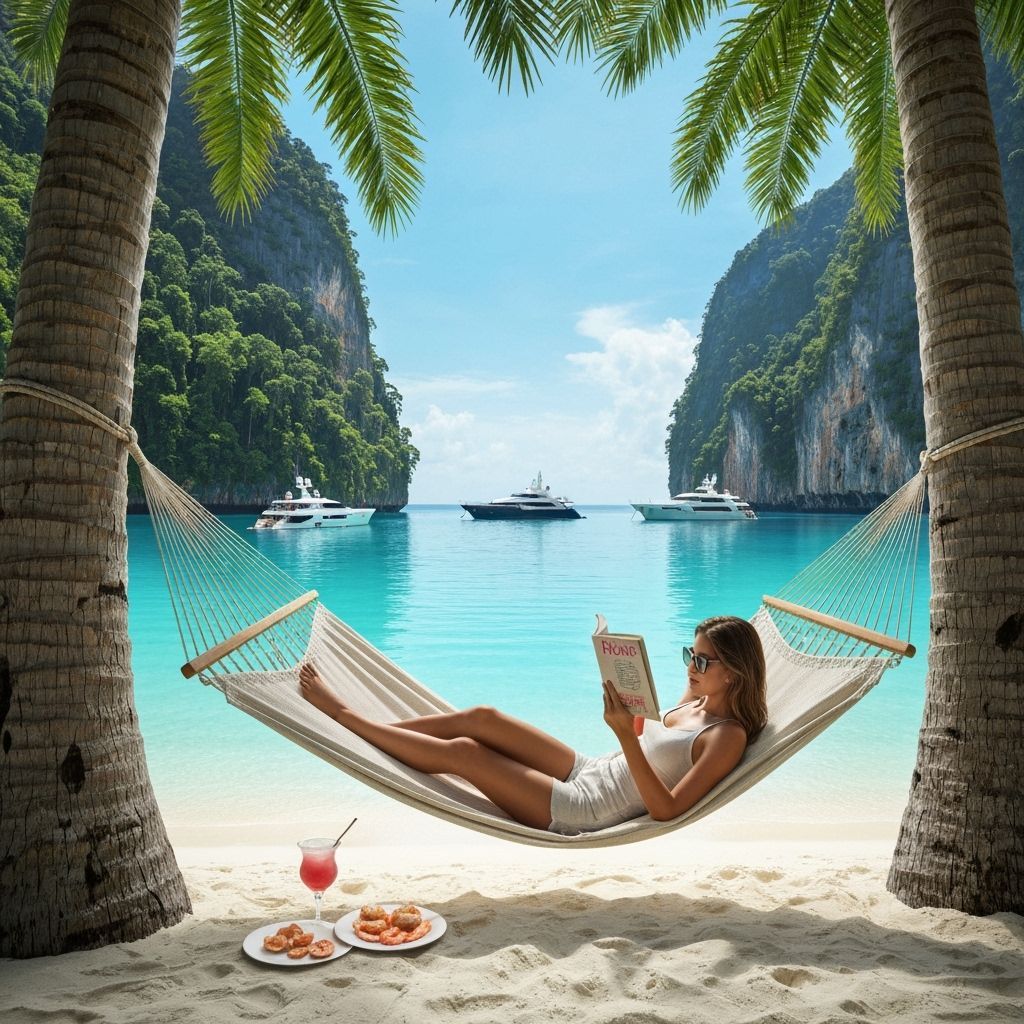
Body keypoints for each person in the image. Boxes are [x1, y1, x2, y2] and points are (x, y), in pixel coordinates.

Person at [298, 615, 768, 835]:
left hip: (584, 807)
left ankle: (345, 716)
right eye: (690, 654)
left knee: (465, 752)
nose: (691, 666)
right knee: (483, 718)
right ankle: (383, 727)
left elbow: (666, 810)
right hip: (588, 769)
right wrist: (614, 659)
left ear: (734, 672)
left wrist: (626, 735)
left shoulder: (726, 737)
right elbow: (651, 726)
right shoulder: (701, 693)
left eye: (702, 660)